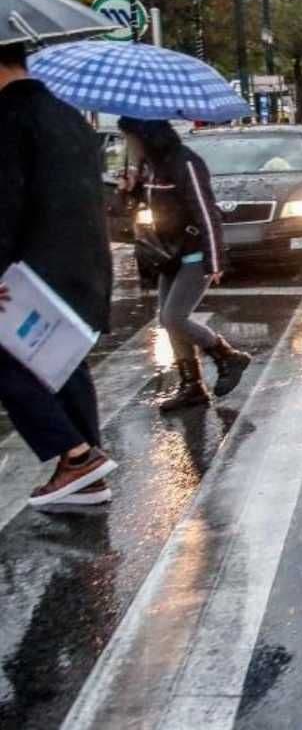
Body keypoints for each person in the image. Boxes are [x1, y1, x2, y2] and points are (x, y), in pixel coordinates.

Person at [0, 41, 118, 509]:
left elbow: (6, 202)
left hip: (31, 267)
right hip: (85, 263)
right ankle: (87, 472)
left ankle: (76, 455)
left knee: (7, 361)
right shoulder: (69, 115)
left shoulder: (9, 118)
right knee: (64, 360)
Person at [119, 117, 250, 412]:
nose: (130, 145)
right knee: (166, 319)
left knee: (174, 317)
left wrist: (214, 259)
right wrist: (131, 189)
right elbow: (149, 205)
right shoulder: (151, 166)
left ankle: (227, 356)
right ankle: (192, 386)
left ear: (147, 135)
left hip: (194, 254)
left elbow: (207, 212)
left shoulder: (187, 163)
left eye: (131, 138)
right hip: (169, 255)